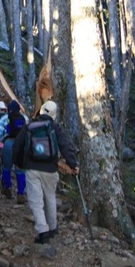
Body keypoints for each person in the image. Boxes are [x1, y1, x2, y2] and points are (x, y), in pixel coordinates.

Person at [12, 100, 79, 244]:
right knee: (50, 197)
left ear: (41, 110)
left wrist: (19, 163)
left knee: (36, 201)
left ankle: (43, 231)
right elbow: (65, 146)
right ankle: (53, 227)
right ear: (54, 115)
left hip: (32, 168)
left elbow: (17, 145)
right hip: (50, 168)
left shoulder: (29, 126)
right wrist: (73, 164)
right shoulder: (55, 128)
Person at [0, 100, 27, 203]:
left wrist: (4, 141)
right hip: (21, 145)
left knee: (6, 167)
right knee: (20, 169)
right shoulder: (25, 118)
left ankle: (7, 188)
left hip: (8, 143)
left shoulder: (4, 118)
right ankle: (21, 193)